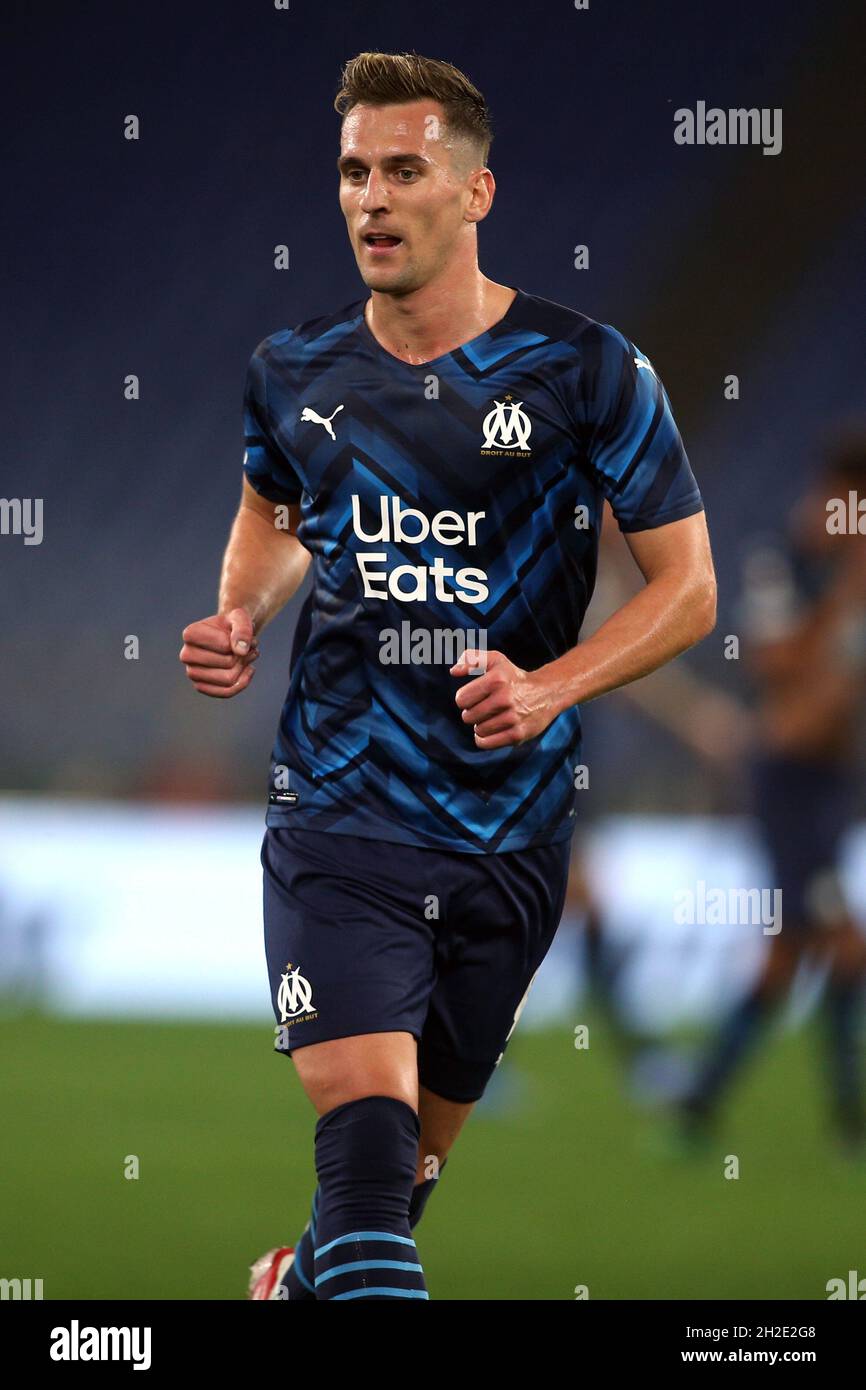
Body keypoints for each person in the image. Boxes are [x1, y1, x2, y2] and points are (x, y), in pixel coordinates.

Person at [179, 49, 715, 1300]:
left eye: (402, 170)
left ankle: (290, 1283)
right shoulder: (293, 369)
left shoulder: (587, 372)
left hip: (511, 839)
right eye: (353, 172)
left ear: (474, 193)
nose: (370, 197)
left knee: (386, 1209)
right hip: (340, 819)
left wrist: (549, 688)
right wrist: (239, 612)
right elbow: (272, 509)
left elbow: (688, 593)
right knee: (366, 1168)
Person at [678, 429, 866, 1152]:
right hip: (790, 780)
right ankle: (850, 1127)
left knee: (788, 958)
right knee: (845, 947)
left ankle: (696, 1106)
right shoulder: (784, 563)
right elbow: (779, 666)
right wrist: (848, 590)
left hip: (831, 780)